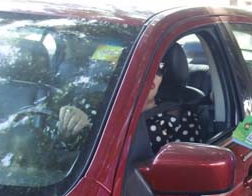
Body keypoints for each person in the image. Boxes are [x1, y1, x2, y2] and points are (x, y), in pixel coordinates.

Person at [59, 50, 201, 154]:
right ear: (122, 74)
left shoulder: (179, 116)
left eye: (159, 69)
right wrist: (69, 134)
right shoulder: (92, 106)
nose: (152, 76)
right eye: (140, 69)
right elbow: (55, 157)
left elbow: (186, 173)